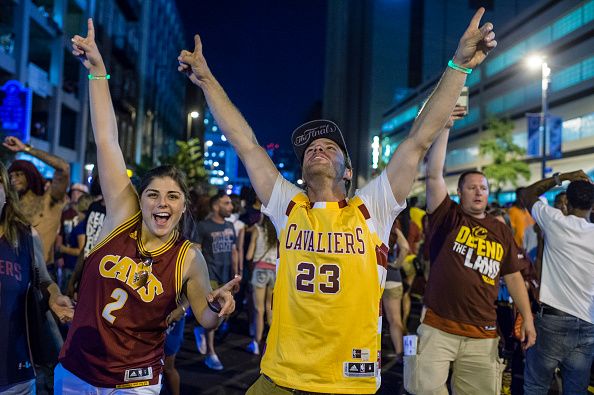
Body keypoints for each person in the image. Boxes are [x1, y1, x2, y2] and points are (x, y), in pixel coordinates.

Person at [178, 7, 496, 393]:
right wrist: (208, 81)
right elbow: (245, 143)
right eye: (311, 147)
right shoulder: (288, 205)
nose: (318, 148)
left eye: (329, 146)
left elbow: (418, 140)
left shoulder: (371, 207)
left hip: (348, 383)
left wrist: (459, 64)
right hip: (280, 377)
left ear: (348, 171)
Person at [56, 19, 239, 394]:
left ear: (184, 206)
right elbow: (106, 139)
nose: (162, 203)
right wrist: (98, 72)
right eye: (153, 193)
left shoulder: (188, 258)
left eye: (173, 197)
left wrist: (219, 307)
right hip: (77, 373)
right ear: (139, 197)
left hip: (134, 383)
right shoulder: (122, 216)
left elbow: (204, 316)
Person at [410, 105, 536, 395]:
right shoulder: (447, 216)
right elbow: (433, 175)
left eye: (483, 188)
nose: (479, 192)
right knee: (423, 389)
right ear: (459, 192)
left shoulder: (501, 230)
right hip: (438, 328)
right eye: (472, 187)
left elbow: (514, 277)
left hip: (483, 334)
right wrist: (444, 127)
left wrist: (527, 318)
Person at [0, 160, 74, 394]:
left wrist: (54, 296)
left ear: (6, 193)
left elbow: (43, 280)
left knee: (57, 363)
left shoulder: (26, 237)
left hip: (15, 375)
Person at [520, 170, 594, 395]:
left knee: (536, 387)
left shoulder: (554, 221)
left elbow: (528, 194)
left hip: (553, 321)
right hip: (587, 324)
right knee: (576, 390)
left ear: (567, 203)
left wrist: (560, 178)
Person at [3, 136, 70, 265]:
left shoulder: (49, 200)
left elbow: (63, 168)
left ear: (30, 175)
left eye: (18, 174)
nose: (13, 179)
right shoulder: (11, 207)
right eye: (11, 176)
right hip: (16, 271)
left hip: (43, 274)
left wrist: (25, 149)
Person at [192, 191, 238, 370]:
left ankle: (199, 328)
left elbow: (234, 251)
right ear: (216, 206)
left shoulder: (230, 225)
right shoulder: (203, 226)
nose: (231, 207)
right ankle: (211, 353)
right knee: (216, 313)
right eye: (226, 203)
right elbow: (195, 253)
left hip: (227, 276)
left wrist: (236, 274)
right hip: (210, 276)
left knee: (226, 314)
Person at [245, 214, 278, 356]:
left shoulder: (257, 230)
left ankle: (256, 342)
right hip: (274, 271)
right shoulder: (278, 231)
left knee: (259, 310)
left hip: (259, 271)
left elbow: (248, 255)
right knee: (270, 309)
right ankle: (271, 344)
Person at [383, 225, 409, 362]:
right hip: (391, 275)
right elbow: (405, 247)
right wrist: (397, 265)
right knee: (395, 319)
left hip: (371, 274)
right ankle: (400, 354)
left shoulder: (366, 221)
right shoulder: (392, 227)